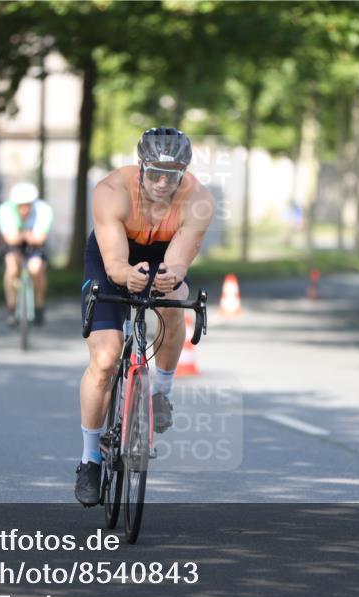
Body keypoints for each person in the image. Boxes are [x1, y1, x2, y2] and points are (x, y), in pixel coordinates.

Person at [74, 127, 215, 507]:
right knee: (104, 360)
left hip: (162, 254)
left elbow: (179, 259)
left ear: (183, 173)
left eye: (171, 175)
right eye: (153, 172)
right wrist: (125, 275)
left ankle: (161, 394)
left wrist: (169, 278)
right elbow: (116, 263)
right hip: (111, 256)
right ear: (140, 167)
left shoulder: (198, 200)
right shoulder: (111, 192)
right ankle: (89, 458)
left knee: (173, 305)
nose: (161, 182)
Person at [0, 182, 53, 326]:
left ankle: (39, 306)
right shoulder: (4, 210)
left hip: (36, 248)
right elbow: (11, 239)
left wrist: (22, 235)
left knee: (36, 268)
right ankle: (11, 308)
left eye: (27, 205)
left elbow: (40, 239)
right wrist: (28, 235)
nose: (24, 209)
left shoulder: (43, 210)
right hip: (14, 246)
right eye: (20, 206)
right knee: (11, 267)